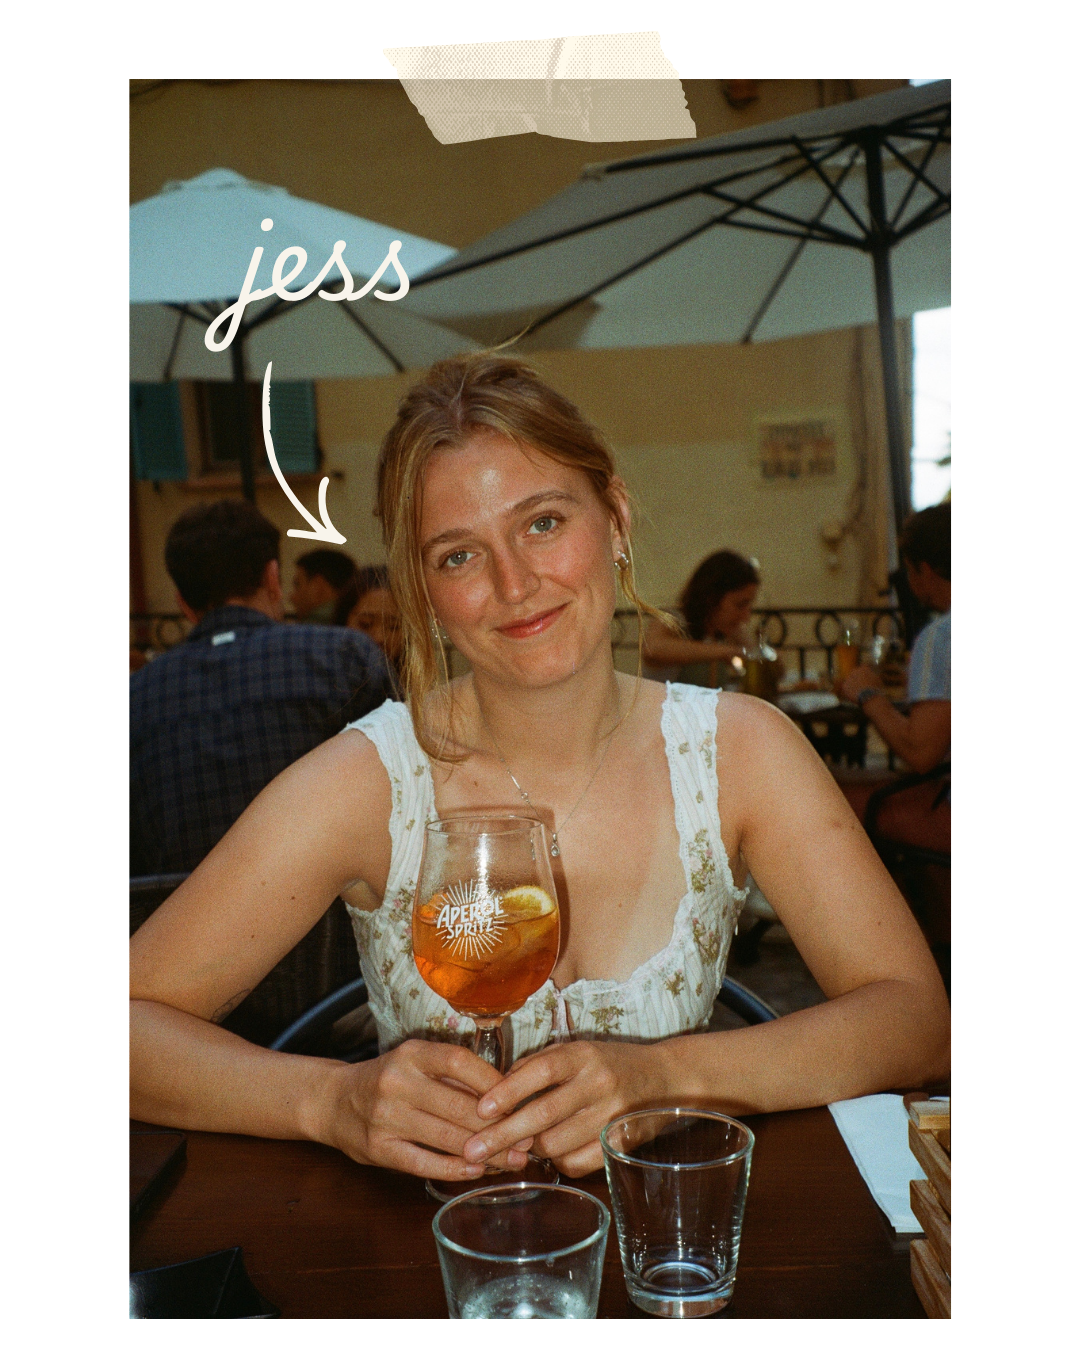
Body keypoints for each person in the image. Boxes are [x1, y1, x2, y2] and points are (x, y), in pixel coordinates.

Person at [130, 356, 950, 1186]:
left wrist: (671, 1078)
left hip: (666, 1238)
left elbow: (918, 1019)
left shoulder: (741, 752)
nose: (515, 583)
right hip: (442, 1243)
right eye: (458, 556)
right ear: (422, 589)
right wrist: (328, 1102)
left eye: (544, 522)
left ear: (615, 518)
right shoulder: (368, 782)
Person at [129, 500, 393, 1044]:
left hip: (181, 1019)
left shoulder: (137, 697)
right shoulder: (345, 657)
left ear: (182, 601)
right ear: (273, 577)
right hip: (339, 999)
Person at [839, 503, 952, 778]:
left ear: (925, 570)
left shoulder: (941, 637)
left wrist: (868, 694)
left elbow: (921, 754)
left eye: (909, 570)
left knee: (836, 784)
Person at [642, 550, 760, 686]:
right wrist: (725, 651)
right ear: (712, 598)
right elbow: (652, 649)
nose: (746, 617)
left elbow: (755, 657)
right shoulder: (672, 620)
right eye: (740, 605)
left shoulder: (725, 631)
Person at [333, 564, 404, 682]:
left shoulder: (422, 686)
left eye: (394, 627)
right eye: (365, 624)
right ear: (343, 621)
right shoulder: (325, 681)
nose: (379, 638)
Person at [290, 548, 357, 623]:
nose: (291, 598)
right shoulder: (354, 620)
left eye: (297, 585)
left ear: (318, 587)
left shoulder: (314, 623)